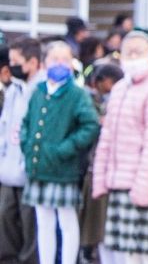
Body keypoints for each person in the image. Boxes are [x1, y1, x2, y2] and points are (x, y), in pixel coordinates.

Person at [92, 31, 148, 264]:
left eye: (138, 52)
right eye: (127, 52)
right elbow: (107, 137)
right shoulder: (121, 87)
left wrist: (143, 188)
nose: (132, 57)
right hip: (119, 181)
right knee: (123, 255)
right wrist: (101, 179)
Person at [21, 41, 100, 264]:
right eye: (55, 59)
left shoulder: (77, 93)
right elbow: (27, 122)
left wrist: (66, 149)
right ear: (45, 63)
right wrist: (26, 145)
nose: (59, 64)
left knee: (66, 220)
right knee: (43, 220)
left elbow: (90, 125)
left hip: (63, 166)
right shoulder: (39, 90)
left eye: (64, 59)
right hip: (38, 165)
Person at [0, 38, 43, 264]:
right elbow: (5, 128)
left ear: (33, 62)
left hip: (30, 170)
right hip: (7, 170)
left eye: (16, 61)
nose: (11, 66)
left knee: (31, 228)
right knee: (6, 222)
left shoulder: (42, 90)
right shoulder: (13, 90)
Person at [79, 63, 124, 264]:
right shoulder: (89, 99)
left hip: (100, 168)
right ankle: (87, 252)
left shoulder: (102, 100)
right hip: (91, 167)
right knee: (94, 221)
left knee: (100, 223)